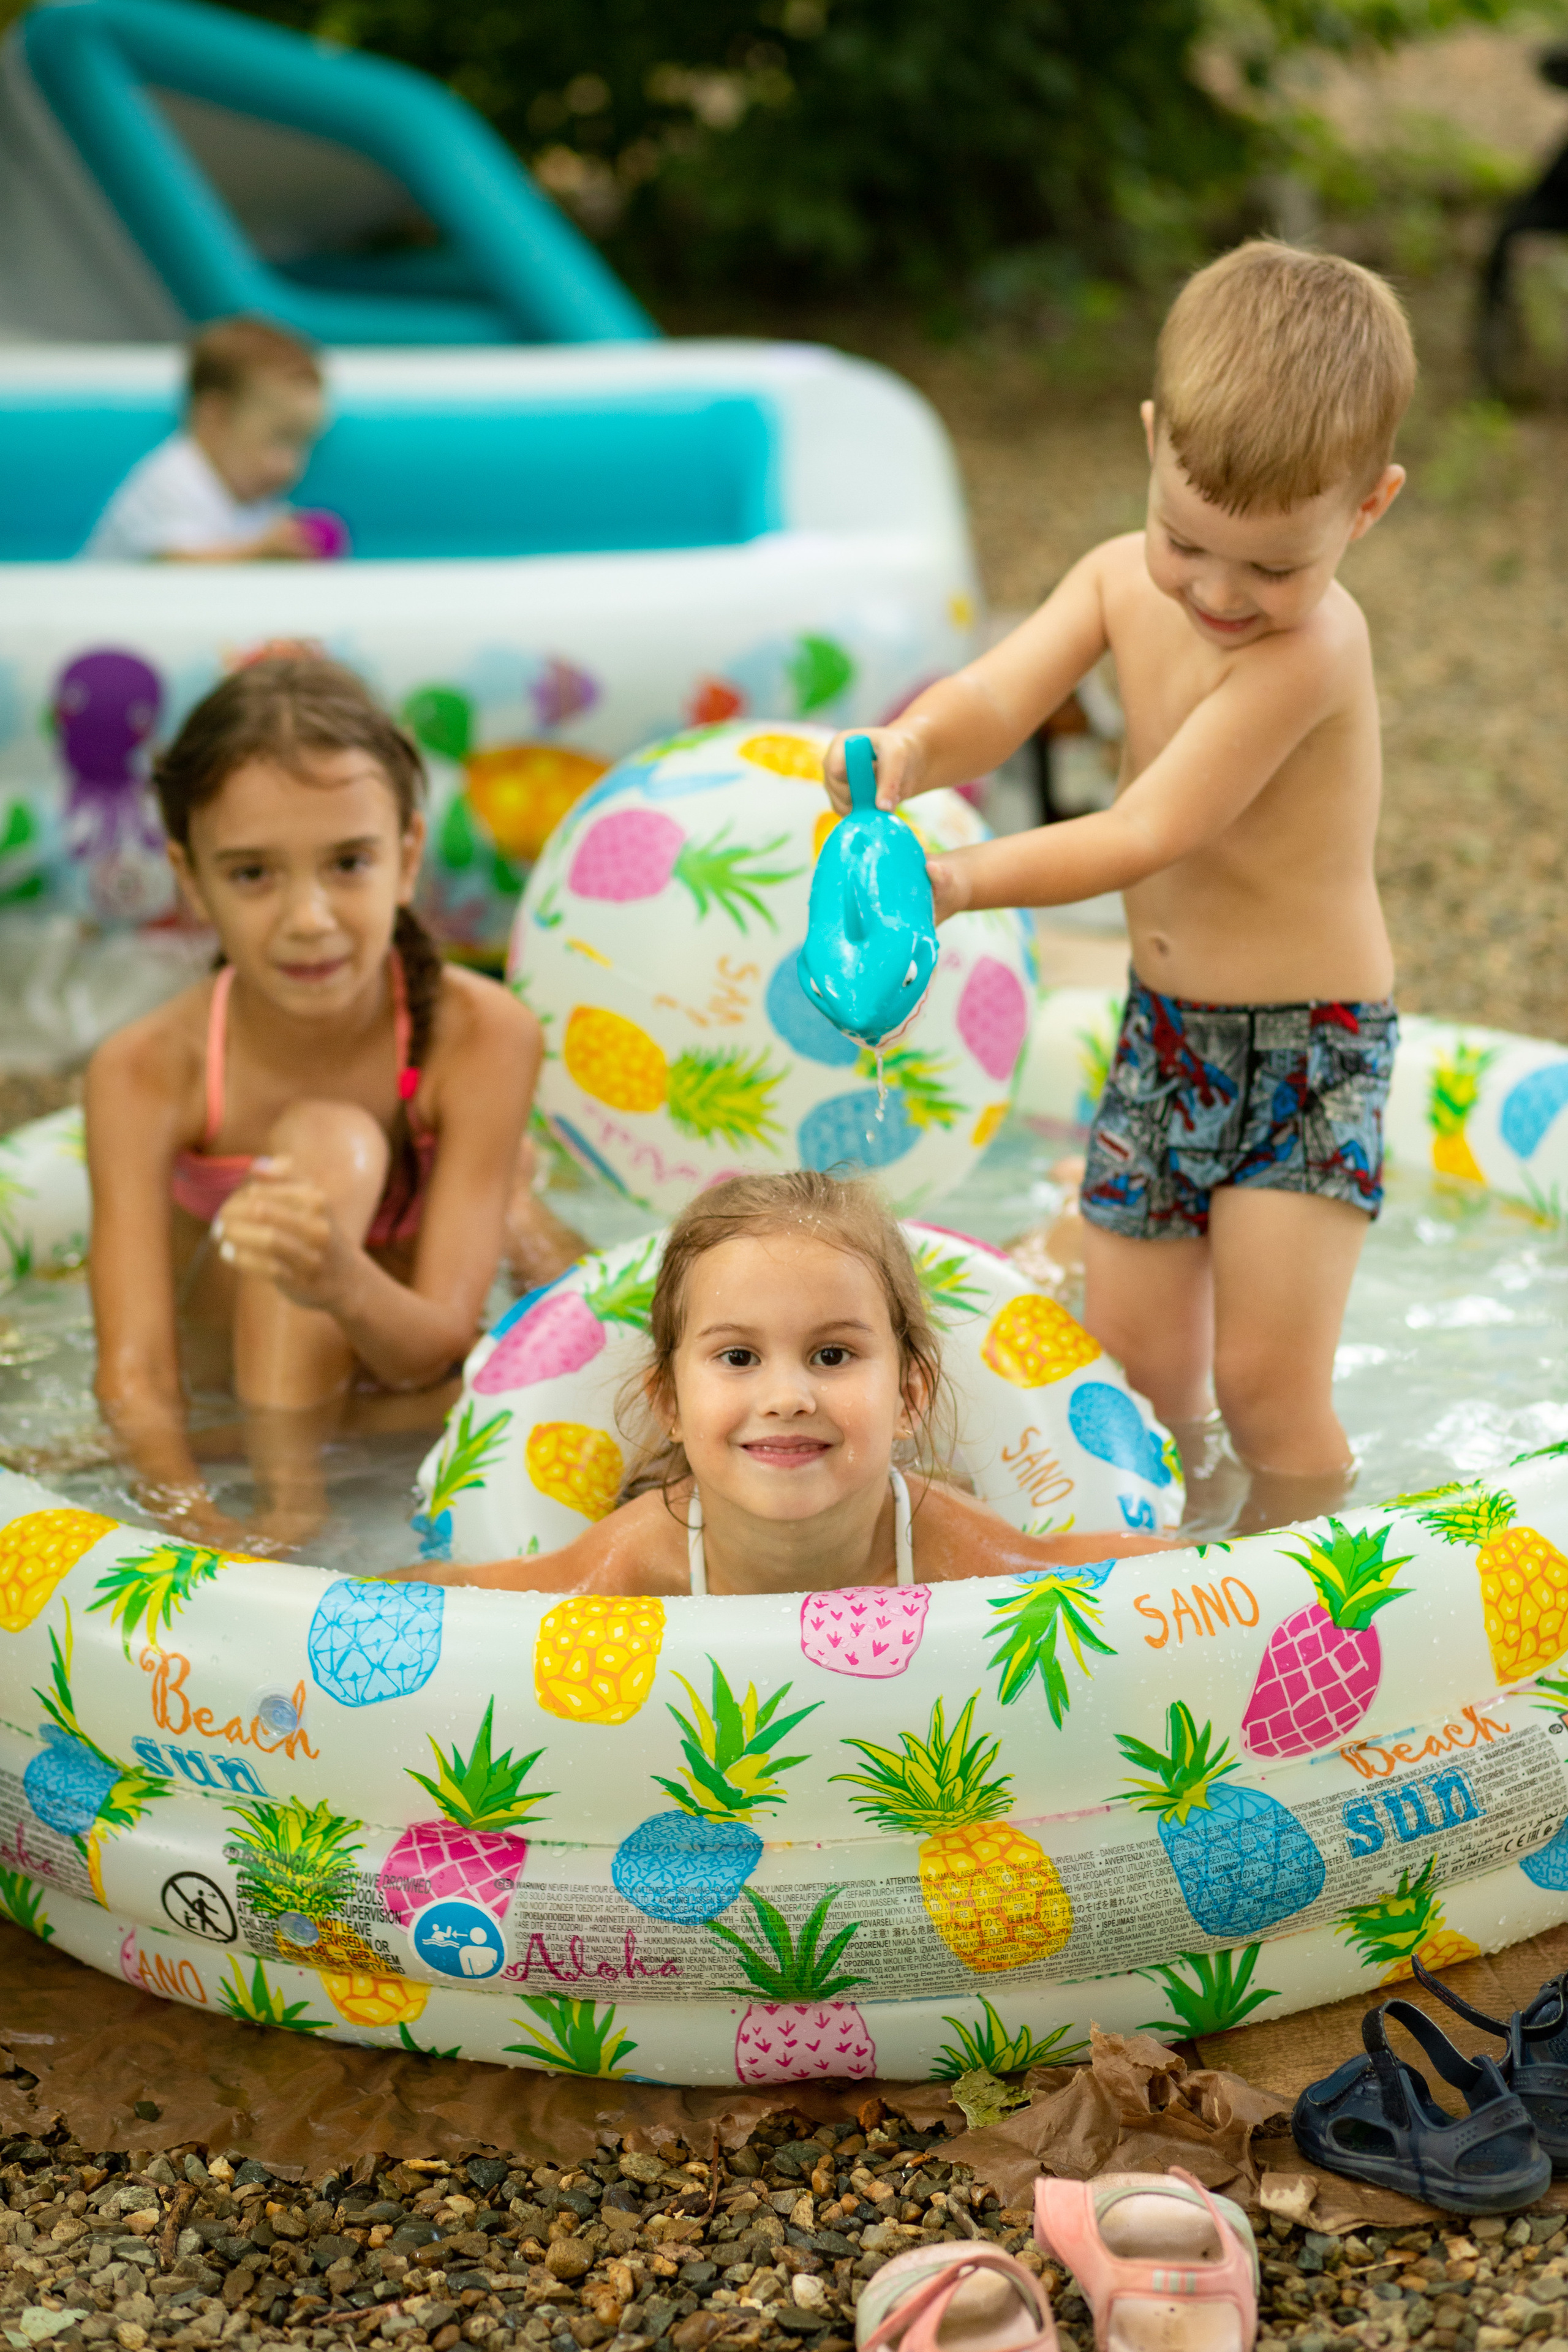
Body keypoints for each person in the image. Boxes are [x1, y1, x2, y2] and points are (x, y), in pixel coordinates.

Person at [823, 241, 1415, 1518]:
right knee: (1136, 1373)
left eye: (1271, 566)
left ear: (1365, 510)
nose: (1217, 592)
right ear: (1151, 444)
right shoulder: (1112, 576)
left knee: (1263, 1387)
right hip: (1165, 1039)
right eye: (1185, 542)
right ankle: (1172, 1592)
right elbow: (995, 697)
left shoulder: (1313, 654)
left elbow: (1149, 827)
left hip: (1305, 1053)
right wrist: (914, 749)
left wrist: (957, 878)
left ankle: (1309, 1607)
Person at [85, 654, 578, 1552]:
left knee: (568, 1329)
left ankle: (509, 1198)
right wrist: (190, 1512)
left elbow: (430, 1343)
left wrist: (342, 1282)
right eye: (252, 875)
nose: (309, 917)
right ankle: (292, 1501)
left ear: (408, 856)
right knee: (334, 1139)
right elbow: (139, 1368)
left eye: (348, 863)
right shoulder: (144, 1070)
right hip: (241, 1374)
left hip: (400, 1358)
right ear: (189, 879)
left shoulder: (485, 1035)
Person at [412, 1170, 1174, 1599]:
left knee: (1028, 1273)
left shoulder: (945, 1544)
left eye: (832, 1356)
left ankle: (1066, 1221)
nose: (788, 1396)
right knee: (556, 1266)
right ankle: (518, 1202)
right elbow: (460, 1590)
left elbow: (1126, 1569)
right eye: (738, 1358)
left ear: (910, 1397)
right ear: (670, 1406)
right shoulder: (642, 1560)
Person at [83, 316, 330, 563]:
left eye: (304, 445)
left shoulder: (256, 497)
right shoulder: (174, 481)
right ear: (215, 418)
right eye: (278, 440)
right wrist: (260, 554)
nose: (291, 466)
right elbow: (176, 567)